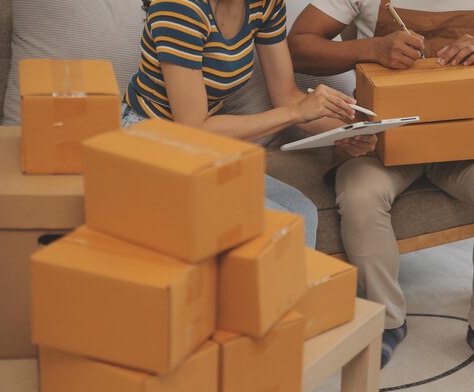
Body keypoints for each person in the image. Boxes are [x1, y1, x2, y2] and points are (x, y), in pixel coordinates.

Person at [288, 0, 474, 380]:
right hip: (381, 136)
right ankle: (388, 320)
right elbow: (298, 46)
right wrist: (371, 48)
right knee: (360, 194)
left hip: (463, 132)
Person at [121, 0, 377, 249]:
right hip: (149, 141)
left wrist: (348, 132)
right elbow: (194, 128)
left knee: (301, 212)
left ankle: (285, 292)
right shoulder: (179, 8)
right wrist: (297, 111)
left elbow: (286, 96)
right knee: (270, 225)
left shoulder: (264, 5)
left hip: (203, 149)